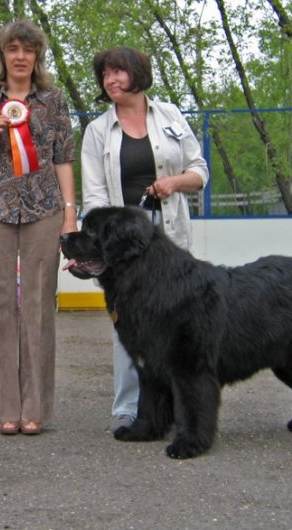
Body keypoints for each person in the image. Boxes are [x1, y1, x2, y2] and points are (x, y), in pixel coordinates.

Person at [0, 20, 78, 435]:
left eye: (28, 49)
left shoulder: (55, 101)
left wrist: (70, 215)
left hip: (45, 210)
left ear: (37, 55)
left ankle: (35, 409)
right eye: (13, 49)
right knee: (0, 307)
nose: (21, 56)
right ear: (2, 55)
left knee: (40, 307)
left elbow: (63, 158)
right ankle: (5, 410)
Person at [80, 47, 208, 434]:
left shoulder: (169, 116)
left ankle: (175, 406)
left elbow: (199, 170)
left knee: (177, 324)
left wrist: (174, 182)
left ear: (137, 73)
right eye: (104, 74)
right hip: (125, 247)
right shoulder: (97, 131)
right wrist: (108, 237)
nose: (110, 80)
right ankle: (128, 406)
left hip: (171, 237)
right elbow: (95, 198)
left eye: (117, 72)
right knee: (129, 323)